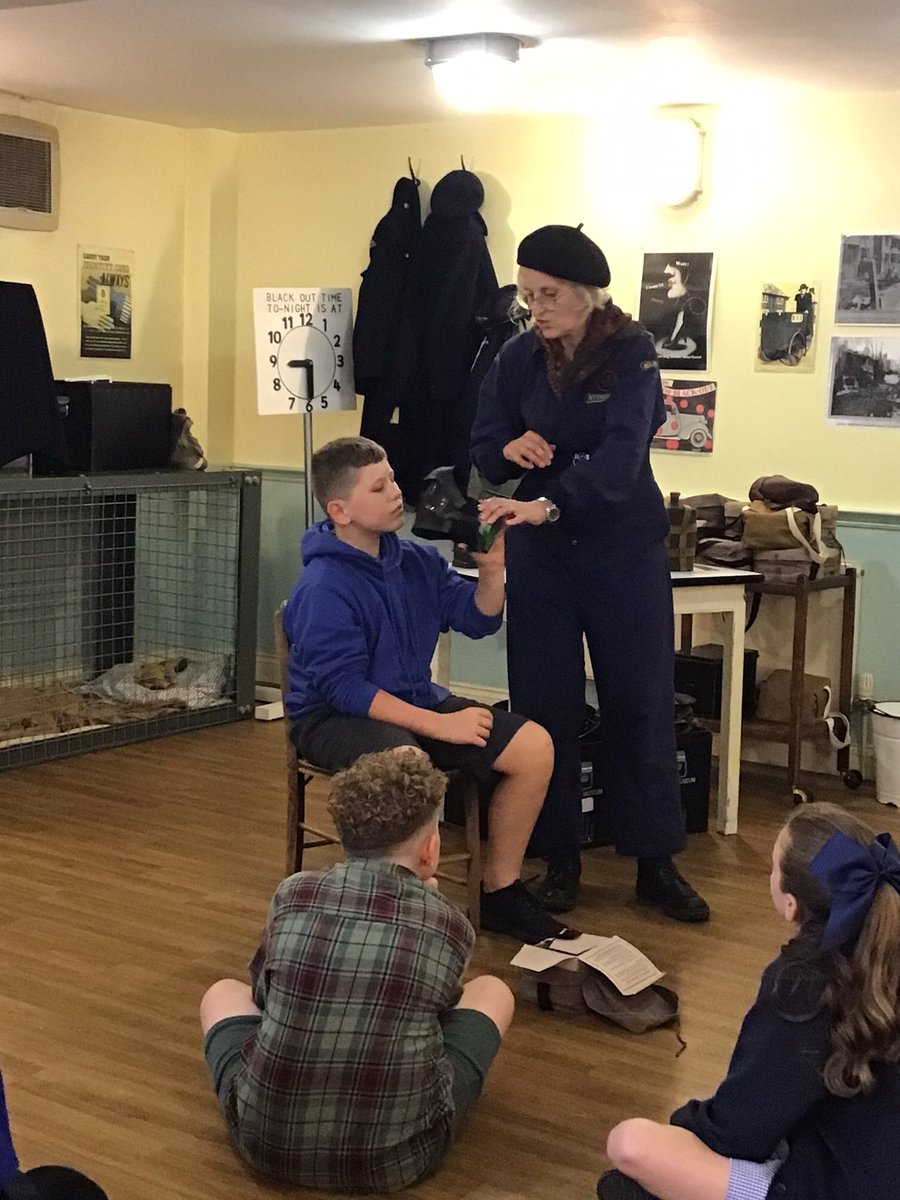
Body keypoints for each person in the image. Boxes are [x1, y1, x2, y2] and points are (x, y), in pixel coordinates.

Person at [471, 224, 709, 922]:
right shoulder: (517, 356)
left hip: (621, 550)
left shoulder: (631, 354)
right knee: (544, 706)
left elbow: (622, 456)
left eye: (549, 295)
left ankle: (655, 864)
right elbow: (484, 441)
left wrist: (552, 499)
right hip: (542, 555)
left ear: (586, 295)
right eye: (527, 295)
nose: (537, 308)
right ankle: (558, 859)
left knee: (640, 701)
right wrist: (509, 447)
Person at [282, 434, 571, 944]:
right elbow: (346, 690)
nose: (396, 492)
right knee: (407, 764)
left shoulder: (415, 559)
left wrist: (493, 571)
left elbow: (477, 619)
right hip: (331, 718)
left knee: (533, 747)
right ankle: (405, 905)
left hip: (412, 701)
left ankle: (499, 891)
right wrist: (440, 724)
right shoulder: (323, 586)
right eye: (379, 487)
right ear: (340, 510)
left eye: (392, 478)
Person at [200, 751, 514, 1192]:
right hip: (399, 1160)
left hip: (264, 1144)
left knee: (221, 992)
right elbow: (443, 1010)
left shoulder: (294, 892)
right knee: (493, 991)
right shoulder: (449, 922)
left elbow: (262, 994)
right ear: (430, 847)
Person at [598, 801, 900, 1200]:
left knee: (630, 1148)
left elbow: (738, 1132)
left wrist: (683, 1128)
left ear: (791, 904)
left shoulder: (804, 983)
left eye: (773, 868)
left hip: (844, 1182)